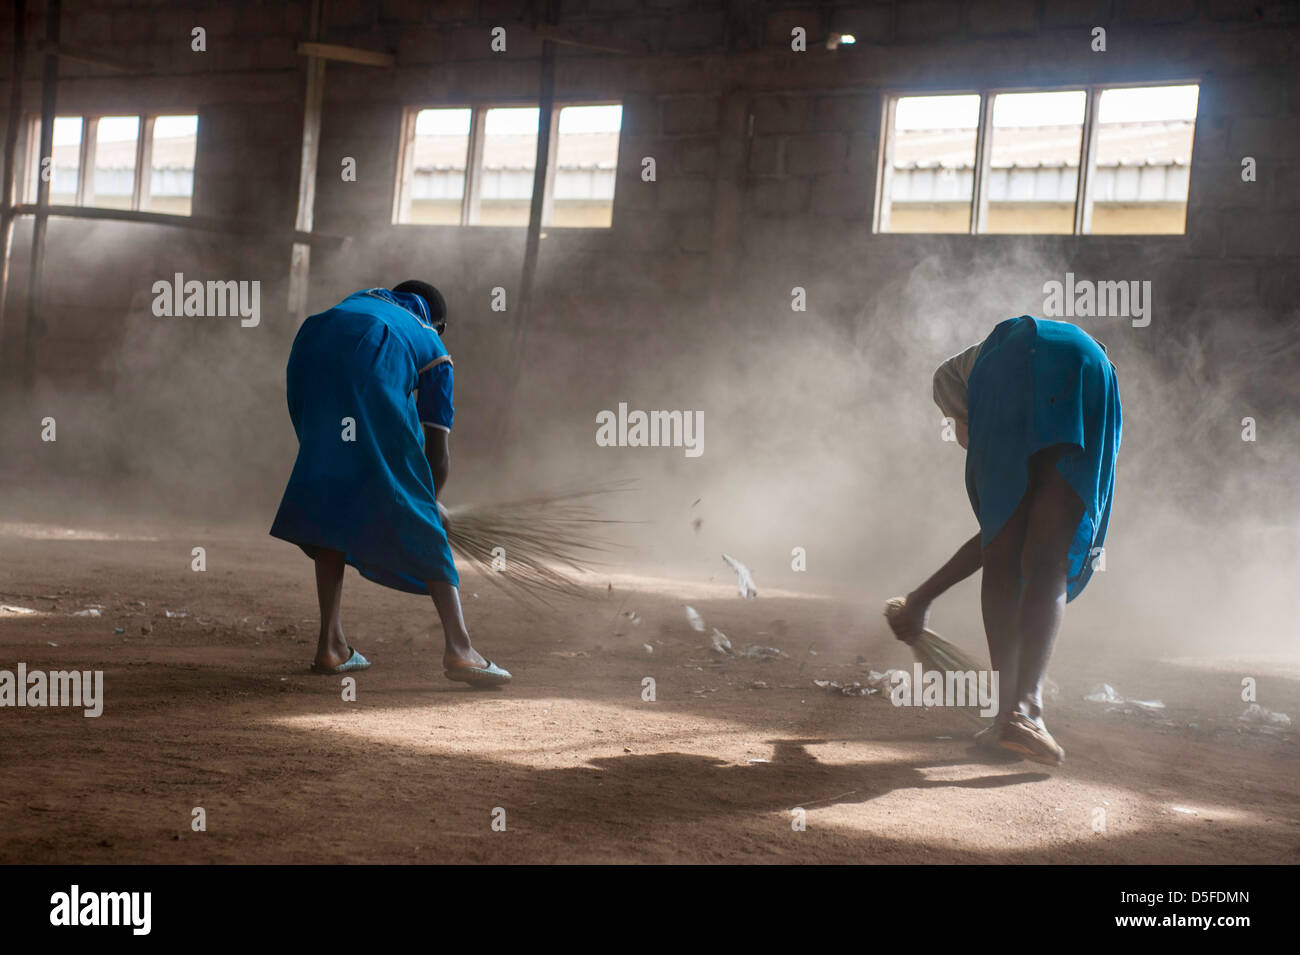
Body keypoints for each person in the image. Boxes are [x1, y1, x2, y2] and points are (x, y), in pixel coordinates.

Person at [887, 316, 1121, 764]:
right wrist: (920, 599)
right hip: (1090, 369)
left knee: (1007, 557)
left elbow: (997, 539)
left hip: (1009, 361)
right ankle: (1023, 711)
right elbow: (999, 533)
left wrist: (919, 599)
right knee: (1047, 559)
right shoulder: (1035, 357)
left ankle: (1011, 712)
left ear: (964, 411)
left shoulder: (966, 377)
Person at [270, 281, 511, 687]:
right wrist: (426, 502)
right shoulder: (432, 342)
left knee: (332, 499)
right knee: (418, 514)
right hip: (367, 365)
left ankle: (331, 646)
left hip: (307, 349)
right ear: (439, 323)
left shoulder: (363, 300)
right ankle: (461, 649)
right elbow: (437, 448)